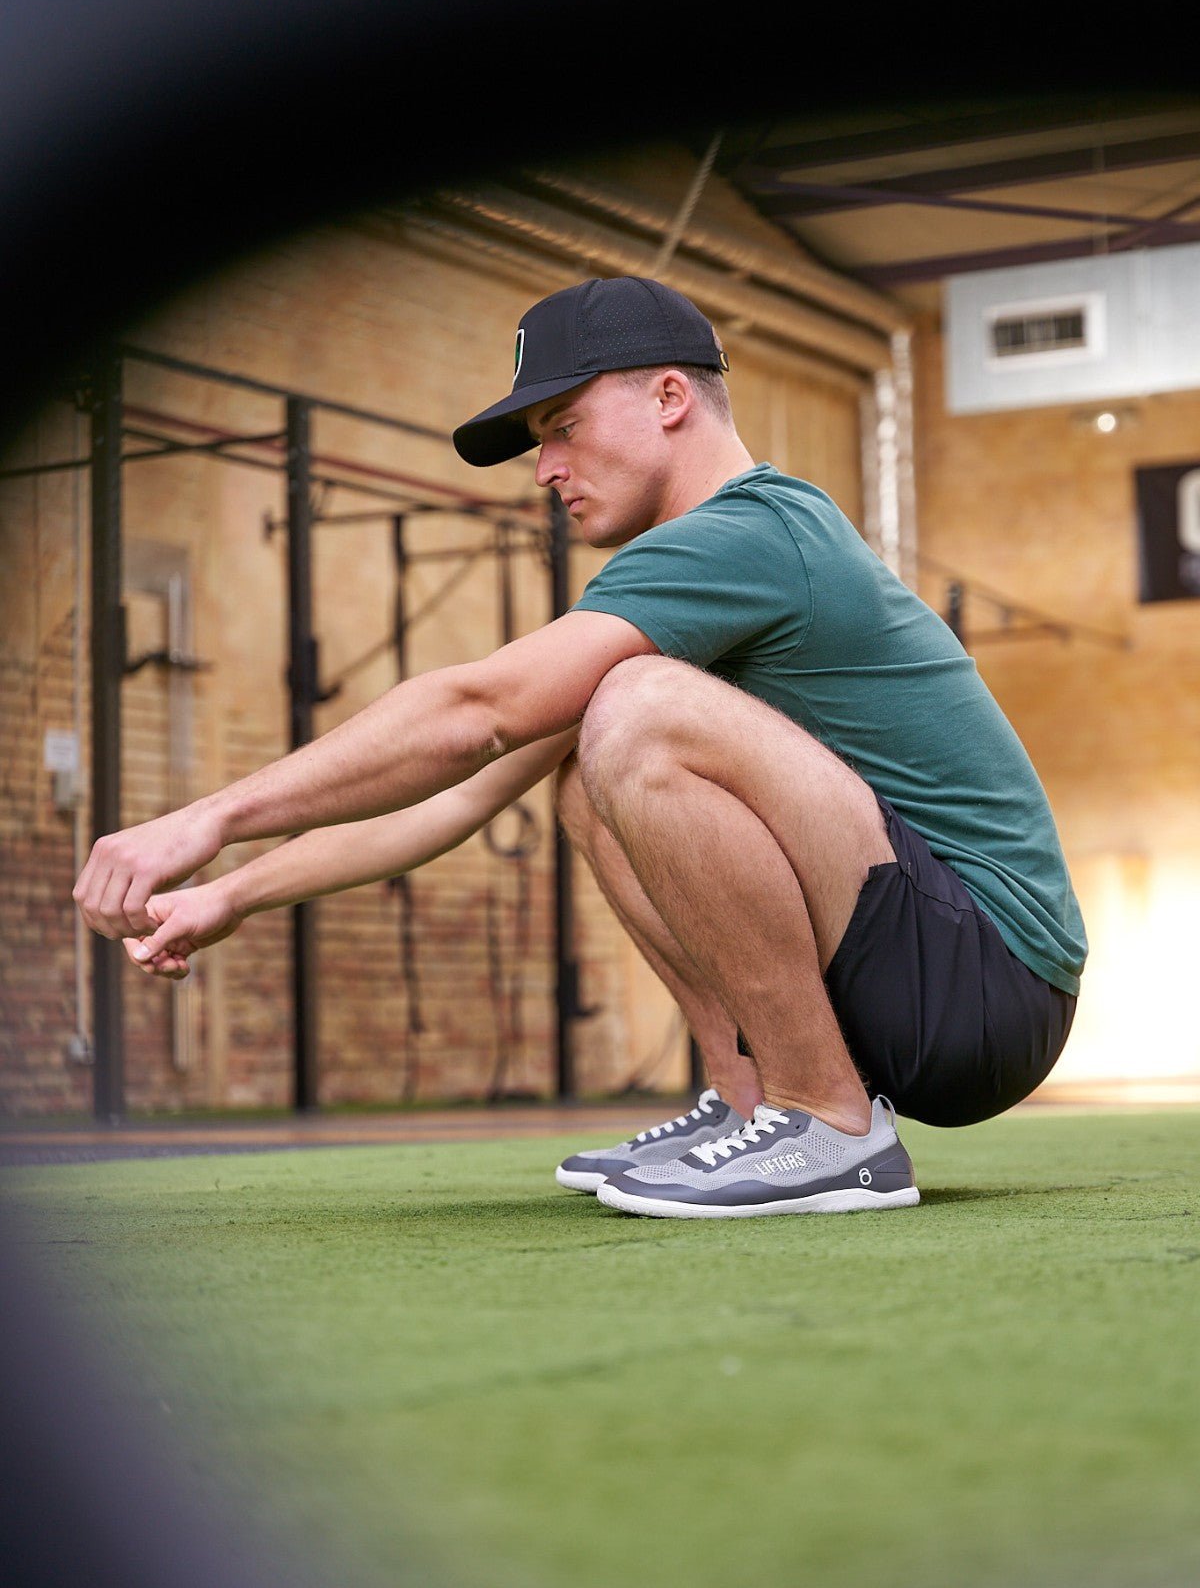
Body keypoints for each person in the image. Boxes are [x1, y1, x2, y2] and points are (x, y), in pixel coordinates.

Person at [73, 275, 1086, 1219]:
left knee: (632, 709)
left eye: (564, 427)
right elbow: (455, 798)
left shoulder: (753, 531)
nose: (547, 469)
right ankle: (754, 1104)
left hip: (991, 980)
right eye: (538, 442)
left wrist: (209, 818)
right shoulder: (687, 577)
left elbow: (478, 710)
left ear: (670, 397)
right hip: (925, 973)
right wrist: (229, 894)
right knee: (587, 769)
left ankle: (829, 1122)